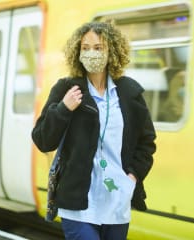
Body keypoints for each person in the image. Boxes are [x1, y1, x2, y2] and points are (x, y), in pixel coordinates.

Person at [32, 21, 156, 240]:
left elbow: (146, 142)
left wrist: (133, 176)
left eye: (98, 48)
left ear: (112, 52)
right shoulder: (66, 89)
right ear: (77, 53)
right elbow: (43, 139)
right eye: (85, 48)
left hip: (117, 203)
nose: (91, 53)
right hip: (79, 205)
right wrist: (63, 109)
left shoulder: (129, 93)